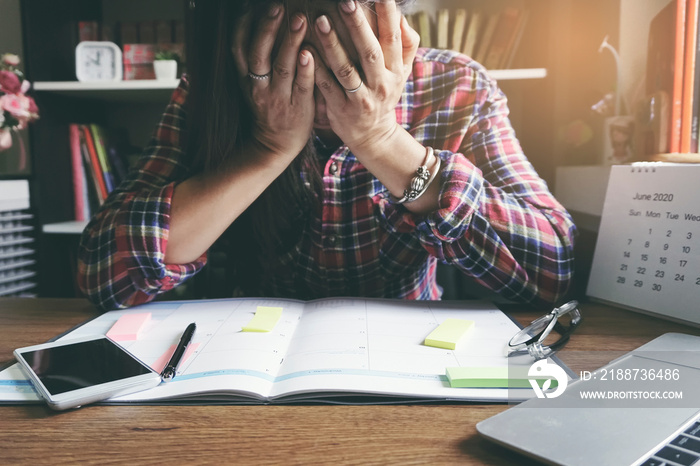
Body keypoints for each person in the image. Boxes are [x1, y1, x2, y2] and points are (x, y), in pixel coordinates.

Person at [77, 0, 577, 311]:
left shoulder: (457, 87)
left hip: (413, 358)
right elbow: (102, 274)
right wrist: (266, 150)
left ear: (393, 30)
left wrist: (382, 140)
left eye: (350, 62)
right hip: (243, 356)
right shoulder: (210, 93)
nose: (327, 91)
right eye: (296, 62)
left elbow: (552, 271)